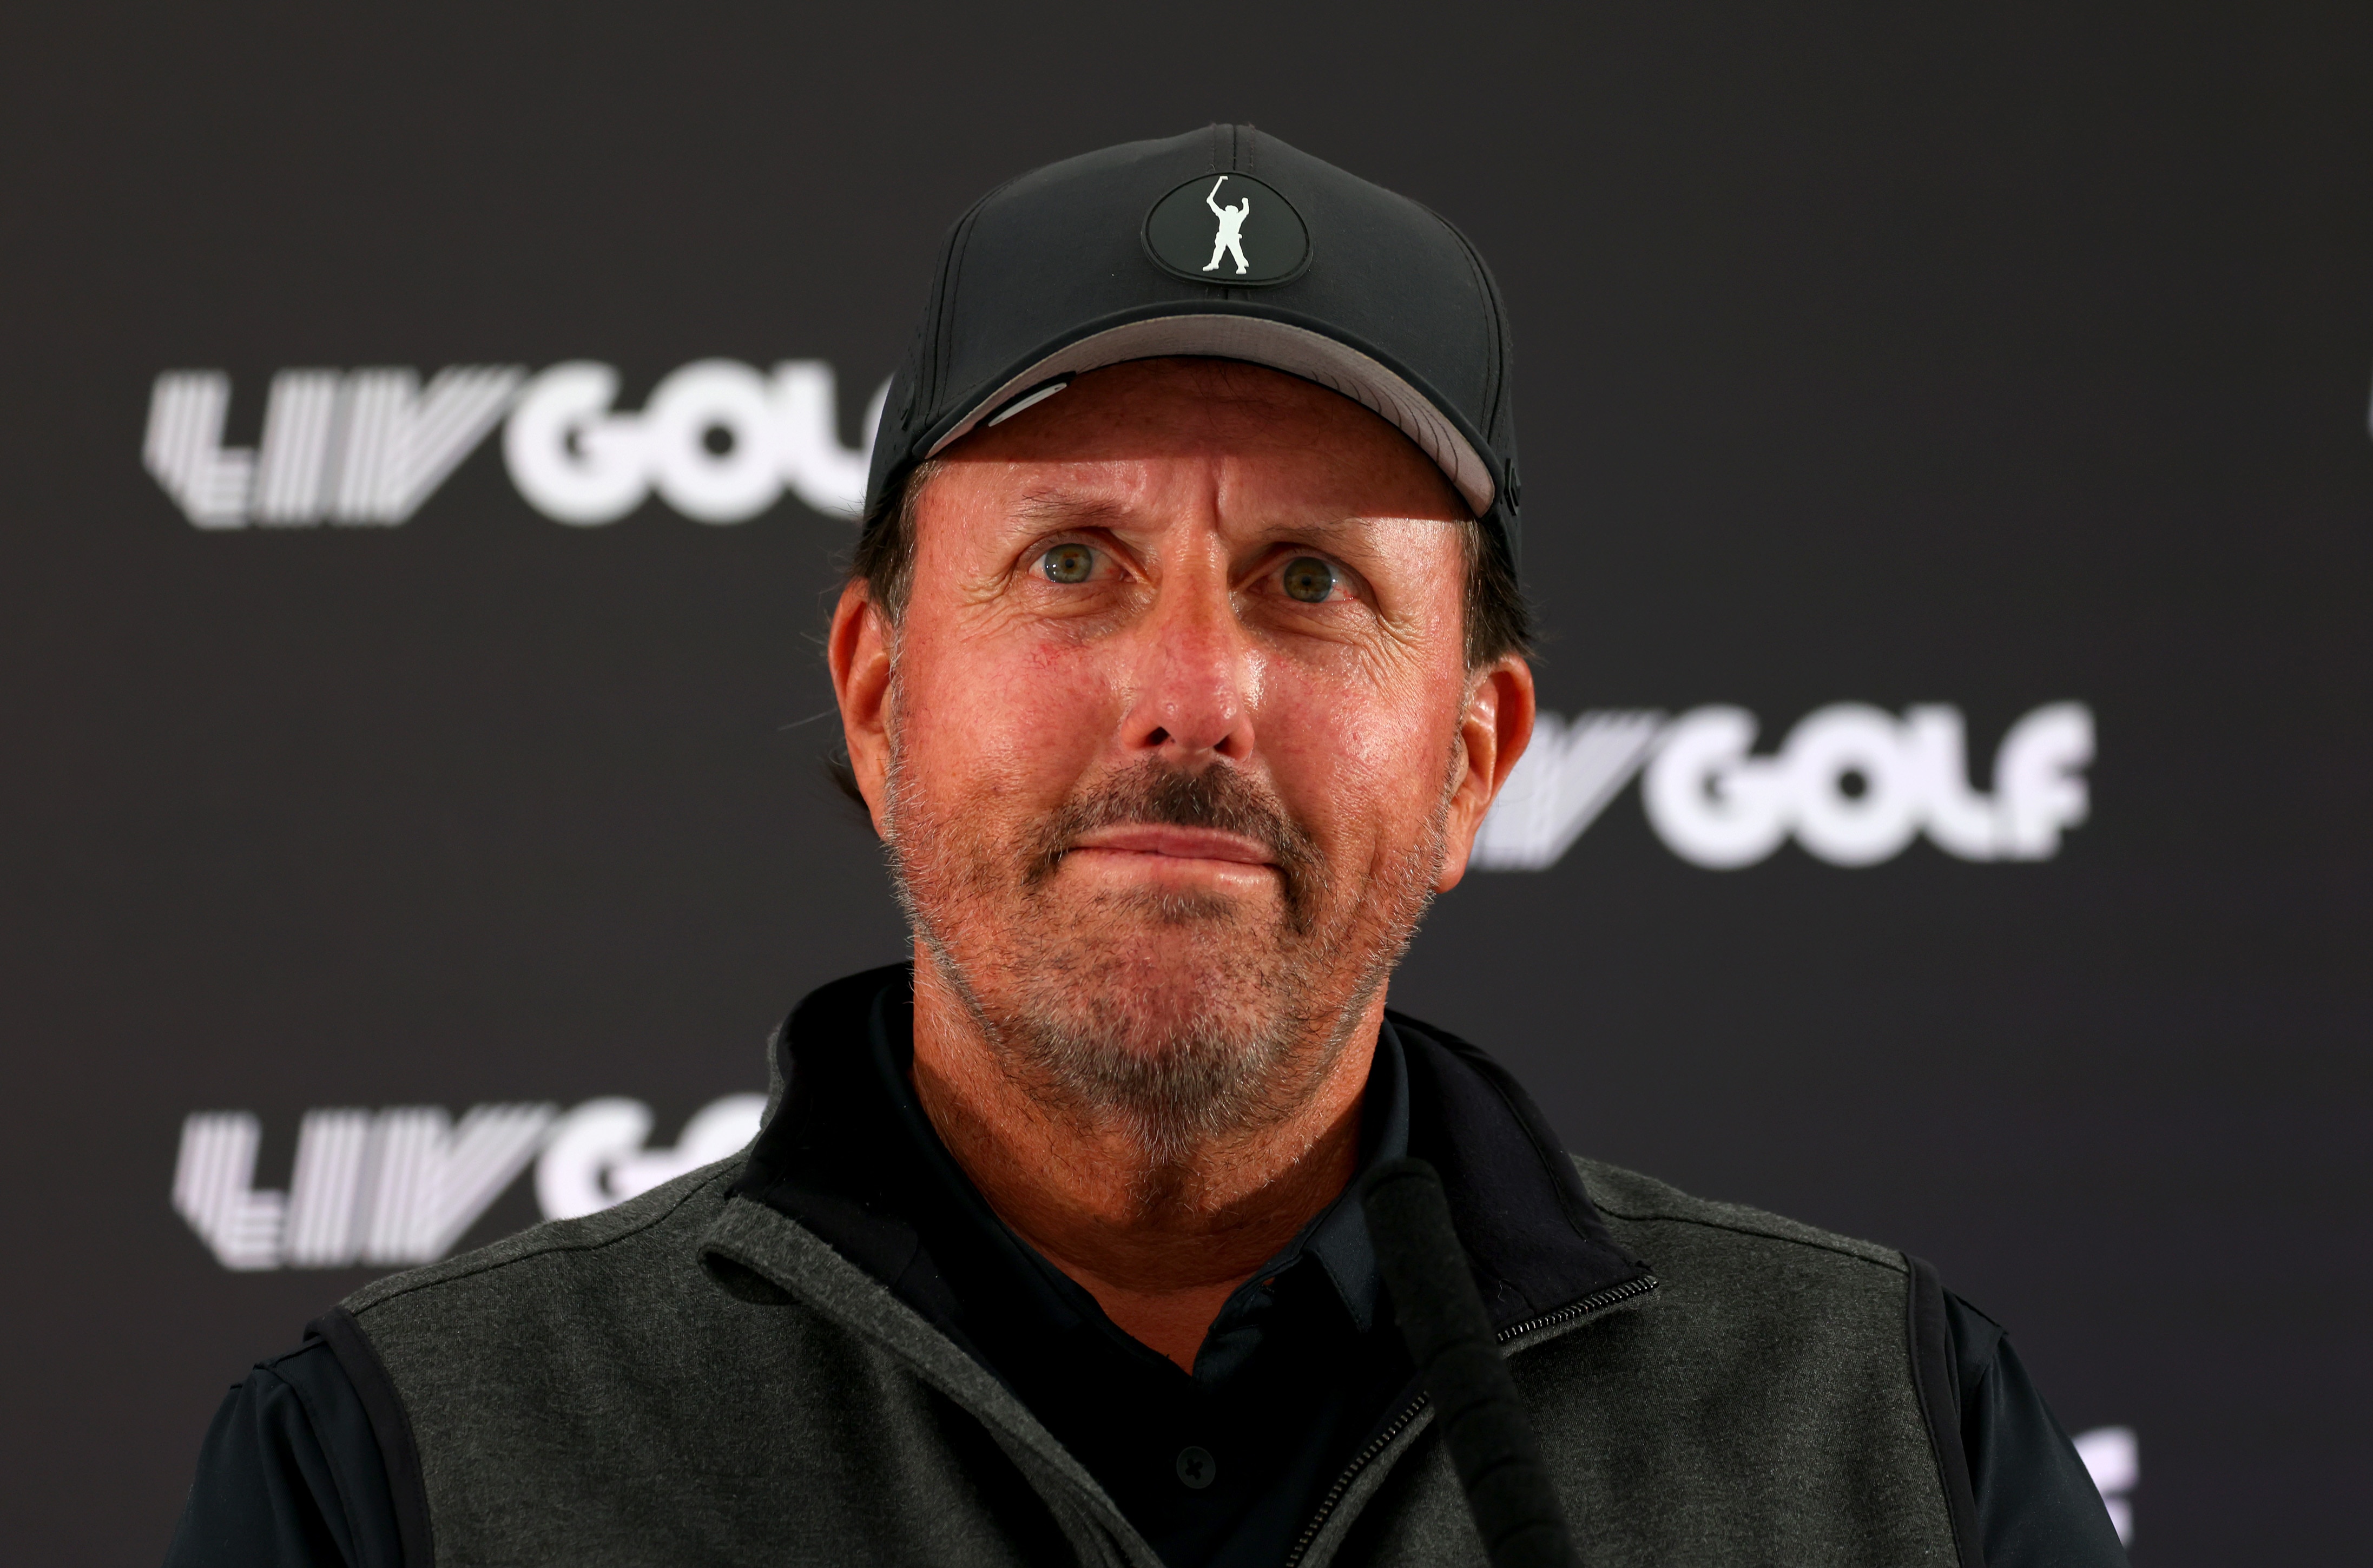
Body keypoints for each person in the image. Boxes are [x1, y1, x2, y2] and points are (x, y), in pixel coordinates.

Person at [166, 125, 2129, 1568]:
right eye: (1071, 560)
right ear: (876, 692)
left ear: (1474, 752)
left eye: (1307, 578)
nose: (1191, 694)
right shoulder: (394, 1471)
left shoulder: (1891, 1439)